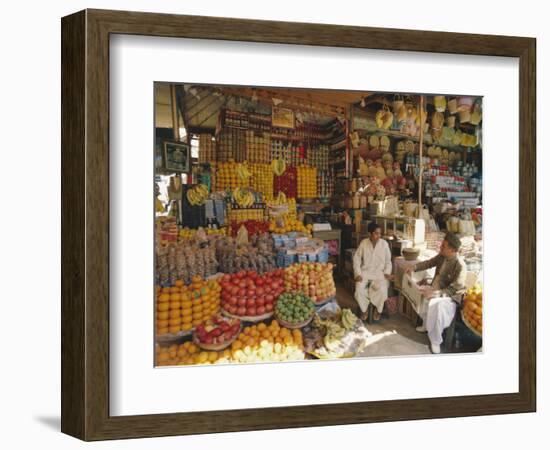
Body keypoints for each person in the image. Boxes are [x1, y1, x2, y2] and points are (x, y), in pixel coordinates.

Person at [405, 232, 467, 354]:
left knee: (437, 306)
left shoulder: (460, 266)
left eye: (443, 246)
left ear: (452, 250)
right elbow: (429, 263)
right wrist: (414, 267)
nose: (440, 248)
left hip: (448, 297)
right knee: (419, 291)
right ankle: (426, 324)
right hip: (435, 289)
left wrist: (437, 294)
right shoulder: (441, 256)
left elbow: (454, 290)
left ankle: (436, 340)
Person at [353, 222, 393, 321]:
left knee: (382, 291)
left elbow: (388, 261)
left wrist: (387, 273)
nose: (378, 236)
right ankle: (364, 309)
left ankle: (378, 310)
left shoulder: (384, 244)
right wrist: (357, 273)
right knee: (359, 290)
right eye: (376, 233)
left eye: (380, 233)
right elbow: (357, 258)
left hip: (380, 274)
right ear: (370, 234)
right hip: (365, 274)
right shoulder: (364, 243)